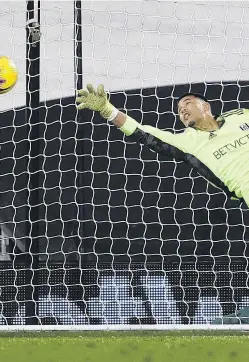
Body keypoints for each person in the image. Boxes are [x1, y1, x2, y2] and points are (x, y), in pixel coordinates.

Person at [76, 83, 249, 323]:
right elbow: (141, 132)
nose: (182, 110)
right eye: (179, 109)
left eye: (187, 104)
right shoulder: (188, 142)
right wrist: (107, 110)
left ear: (206, 106)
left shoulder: (241, 116)